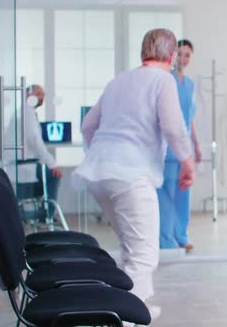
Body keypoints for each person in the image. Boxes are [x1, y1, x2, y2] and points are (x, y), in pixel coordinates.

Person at [72, 28, 195, 319]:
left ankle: (135, 306)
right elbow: (173, 127)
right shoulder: (163, 80)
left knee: (130, 245)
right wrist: (187, 162)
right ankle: (129, 319)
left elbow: (89, 124)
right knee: (144, 253)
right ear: (172, 55)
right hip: (130, 174)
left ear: (143, 52)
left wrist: (101, 153)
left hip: (99, 172)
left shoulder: (119, 80)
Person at [158, 39, 202, 252]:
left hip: (184, 147)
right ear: (173, 56)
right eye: (180, 54)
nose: (183, 59)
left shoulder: (191, 85)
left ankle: (181, 236)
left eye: (187, 55)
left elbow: (190, 118)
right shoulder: (167, 80)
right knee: (165, 194)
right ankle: (166, 240)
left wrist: (197, 144)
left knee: (183, 195)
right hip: (167, 146)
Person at [17, 85, 63, 213]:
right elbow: (35, 141)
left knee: (49, 172)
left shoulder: (26, 112)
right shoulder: (27, 113)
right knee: (55, 174)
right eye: (38, 94)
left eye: (43, 95)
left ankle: (43, 212)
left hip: (23, 164)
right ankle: (47, 214)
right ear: (27, 95)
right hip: (24, 166)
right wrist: (52, 164)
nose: (41, 98)